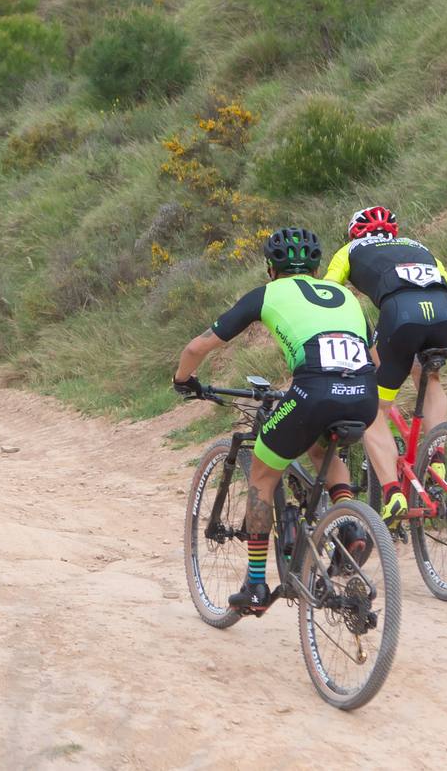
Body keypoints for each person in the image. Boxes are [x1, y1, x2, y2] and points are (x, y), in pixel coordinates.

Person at [171, 227, 377, 616]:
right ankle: (349, 523)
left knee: (264, 474)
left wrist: (183, 380)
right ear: (316, 267)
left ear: (270, 268)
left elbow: (198, 346)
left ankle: (253, 585)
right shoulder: (346, 295)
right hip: (364, 394)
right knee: (319, 445)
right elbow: (373, 357)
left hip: (314, 389)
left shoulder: (268, 294)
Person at [321, 206, 447, 523]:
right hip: (444, 316)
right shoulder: (420, 249)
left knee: (373, 410)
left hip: (399, 318)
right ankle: (437, 458)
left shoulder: (349, 250)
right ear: (393, 233)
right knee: (428, 378)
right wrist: (440, 355)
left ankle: (393, 494)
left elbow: (328, 299)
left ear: (355, 234)